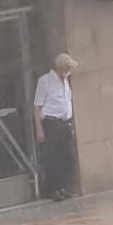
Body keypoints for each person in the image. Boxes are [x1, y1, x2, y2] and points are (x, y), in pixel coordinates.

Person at [34, 52, 79, 202]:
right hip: (51, 123)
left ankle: (63, 187)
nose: (68, 70)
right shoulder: (45, 81)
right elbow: (37, 107)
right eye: (67, 67)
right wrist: (39, 128)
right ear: (60, 67)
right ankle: (53, 189)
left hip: (64, 122)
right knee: (52, 158)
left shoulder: (65, 81)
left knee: (67, 157)